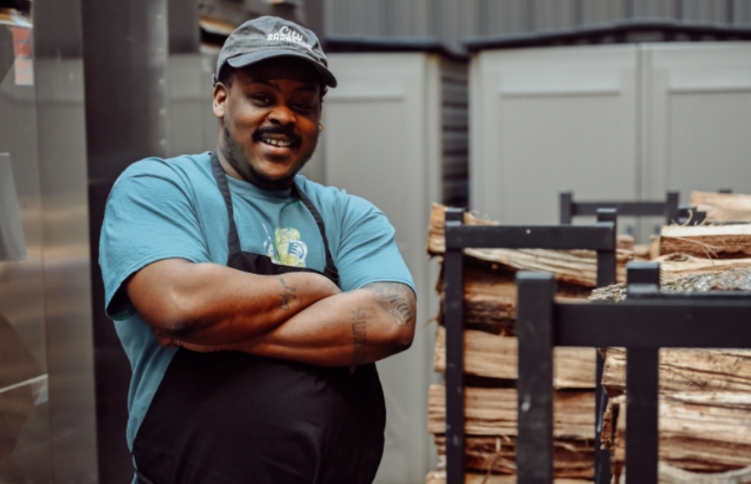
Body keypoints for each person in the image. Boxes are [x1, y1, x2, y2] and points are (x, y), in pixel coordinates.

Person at [99, 16, 416, 484]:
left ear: (318, 118)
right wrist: (314, 287)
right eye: (262, 97)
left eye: (302, 103)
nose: (284, 116)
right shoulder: (160, 187)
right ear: (221, 99)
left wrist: (219, 329)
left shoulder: (348, 215)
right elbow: (180, 305)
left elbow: (392, 320)